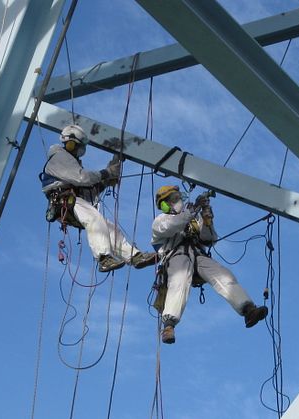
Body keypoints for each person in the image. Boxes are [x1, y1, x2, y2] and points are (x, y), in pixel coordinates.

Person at [151, 185, 268, 344]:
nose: (178, 201)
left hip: (198, 256)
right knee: (179, 280)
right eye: (173, 199)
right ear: (164, 204)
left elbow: (209, 239)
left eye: (179, 197)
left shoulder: (190, 218)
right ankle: (169, 324)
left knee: (223, 274)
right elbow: (171, 226)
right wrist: (192, 211)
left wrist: (207, 220)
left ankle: (247, 309)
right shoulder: (161, 220)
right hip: (176, 256)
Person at [40, 125, 157, 272]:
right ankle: (104, 258)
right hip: (64, 200)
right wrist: (106, 173)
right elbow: (82, 177)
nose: (78, 151)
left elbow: (88, 190)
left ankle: (134, 256)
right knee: (94, 218)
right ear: (68, 143)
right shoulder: (59, 157)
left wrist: (106, 180)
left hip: (74, 201)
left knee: (109, 228)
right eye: (75, 146)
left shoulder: (71, 163)